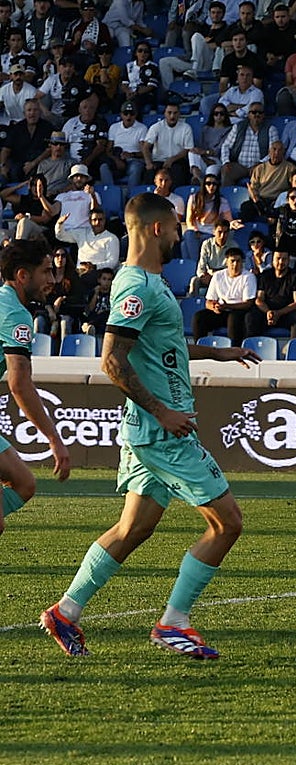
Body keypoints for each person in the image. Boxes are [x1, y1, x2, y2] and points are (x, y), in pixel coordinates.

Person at [39, 191, 260, 660]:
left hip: (148, 432)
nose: (180, 234)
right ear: (158, 229)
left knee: (133, 529)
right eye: (176, 227)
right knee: (227, 524)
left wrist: (218, 353)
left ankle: (65, 612)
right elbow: (112, 360)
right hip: (162, 434)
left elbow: (164, 344)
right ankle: (173, 623)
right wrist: (162, 412)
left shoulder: (148, 284)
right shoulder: (137, 287)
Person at [0, 239, 70, 537]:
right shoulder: (15, 314)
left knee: (24, 483)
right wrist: (54, 439)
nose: (52, 279)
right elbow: (19, 384)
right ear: (22, 275)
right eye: (46, 272)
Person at [192, 247, 256, 346]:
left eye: (238, 261)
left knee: (234, 319)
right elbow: (208, 302)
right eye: (232, 261)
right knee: (199, 317)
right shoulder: (218, 276)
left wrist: (228, 306)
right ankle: (199, 347)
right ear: (226, 262)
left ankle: (234, 350)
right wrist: (214, 307)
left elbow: (248, 303)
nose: (235, 264)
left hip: (239, 310)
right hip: (221, 310)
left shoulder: (248, 277)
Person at [245, 249, 296, 339]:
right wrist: (268, 312)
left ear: (288, 260)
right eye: (278, 258)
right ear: (272, 260)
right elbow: (259, 300)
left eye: (284, 259)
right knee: (251, 316)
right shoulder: (265, 275)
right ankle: (252, 345)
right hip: (268, 313)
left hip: (287, 313)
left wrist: (279, 313)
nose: (281, 262)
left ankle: (294, 345)